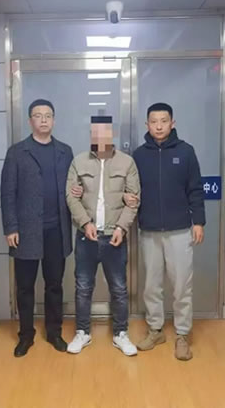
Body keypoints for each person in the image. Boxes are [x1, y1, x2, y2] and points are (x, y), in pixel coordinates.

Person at [129, 102, 206, 361]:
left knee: (182, 286)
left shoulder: (185, 152)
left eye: (164, 121)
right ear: (147, 124)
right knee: (151, 286)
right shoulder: (139, 155)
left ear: (172, 123)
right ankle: (156, 330)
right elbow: (132, 190)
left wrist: (199, 222)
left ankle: (182, 334)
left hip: (180, 230)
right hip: (149, 230)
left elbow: (195, 188)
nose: (159, 126)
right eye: (154, 121)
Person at [0, 99, 74, 357]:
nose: (43, 120)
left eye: (48, 115)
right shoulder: (17, 152)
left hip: (57, 230)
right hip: (26, 231)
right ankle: (26, 335)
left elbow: (72, 186)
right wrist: (11, 227)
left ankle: (54, 332)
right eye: (38, 115)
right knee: (25, 287)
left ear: (54, 120)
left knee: (54, 284)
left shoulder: (65, 151)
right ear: (30, 120)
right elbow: (7, 193)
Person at [65, 115, 140, 356]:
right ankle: (82, 332)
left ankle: (120, 333)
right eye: (95, 132)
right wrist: (84, 222)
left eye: (105, 131)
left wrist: (121, 228)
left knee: (119, 288)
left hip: (114, 236)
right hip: (86, 236)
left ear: (112, 133)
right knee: (83, 287)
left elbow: (134, 200)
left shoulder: (127, 163)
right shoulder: (78, 161)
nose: (100, 136)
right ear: (91, 134)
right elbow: (71, 197)